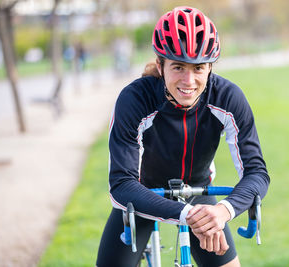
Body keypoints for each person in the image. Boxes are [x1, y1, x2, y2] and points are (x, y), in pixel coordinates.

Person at [96, 6, 270, 267]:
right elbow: (121, 184)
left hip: (197, 191)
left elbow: (257, 172)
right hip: (141, 194)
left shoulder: (228, 98)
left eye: (198, 68)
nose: (188, 80)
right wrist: (188, 215)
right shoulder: (135, 99)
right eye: (178, 67)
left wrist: (222, 211)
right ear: (160, 65)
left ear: (210, 67)